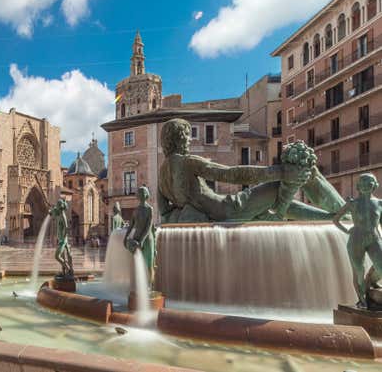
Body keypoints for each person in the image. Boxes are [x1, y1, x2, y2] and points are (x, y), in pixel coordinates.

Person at [158, 118, 334, 223]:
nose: (189, 141)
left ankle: (332, 217)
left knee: (277, 200)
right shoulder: (188, 162)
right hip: (232, 208)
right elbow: (231, 174)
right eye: (187, 137)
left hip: (221, 212)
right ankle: (341, 210)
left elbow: (165, 213)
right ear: (180, 138)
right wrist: (279, 172)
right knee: (302, 173)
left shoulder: (162, 174)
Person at [332, 173, 382, 308]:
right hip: (356, 239)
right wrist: (346, 230)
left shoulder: (380, 203)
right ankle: (362, 299)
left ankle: (370, 281)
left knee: (381, 266)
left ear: (374, 185)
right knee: (359, 271)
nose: (366, 185)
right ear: (358, 186)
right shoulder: (352, 203)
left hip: (374, 238)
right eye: (363, 182)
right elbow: (336, 220)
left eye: (369, 182)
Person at [124, 185, 155, 285]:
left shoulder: (150, 209)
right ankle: (139, 285)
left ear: (146, 195)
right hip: (136, 238)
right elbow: (131, 225)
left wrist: (141, 240)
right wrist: (126, 237)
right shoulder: (135, 210)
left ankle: (150, 286)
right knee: (138, 263)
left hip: (147, 239)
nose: (141, 194)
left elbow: (148, 226)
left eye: (143, 193)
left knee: (149, 264)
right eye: (140, 193)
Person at [50, 198, 74, 278]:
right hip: (61, 239)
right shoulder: (59, 214)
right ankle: (64, 272)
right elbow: (53, 213)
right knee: (63, 256)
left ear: (60, 206)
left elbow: (66, 228)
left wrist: (62, 240)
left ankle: (68, 269)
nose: (56, 206)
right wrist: (51, 212)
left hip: (63, 240)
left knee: (57, 256)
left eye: (57, 205)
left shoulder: (63, 216)